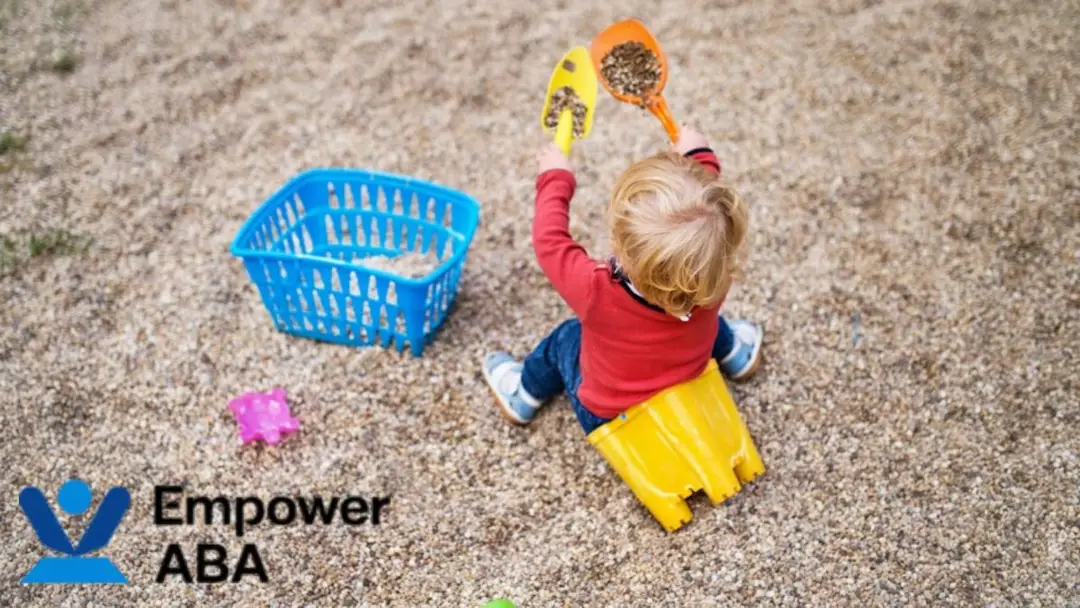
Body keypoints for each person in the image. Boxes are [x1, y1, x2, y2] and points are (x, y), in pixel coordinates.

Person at [482, 126, 764, 434]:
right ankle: (735, 355)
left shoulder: (596, 291)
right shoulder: (717, 267)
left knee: (566, 338)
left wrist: (554, 178)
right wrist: (700, 158)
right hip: (686, 380)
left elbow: (549, 241)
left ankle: (522, 395)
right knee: (703, 318)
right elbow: (710, 212)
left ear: (620, 247)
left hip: (611, 416)